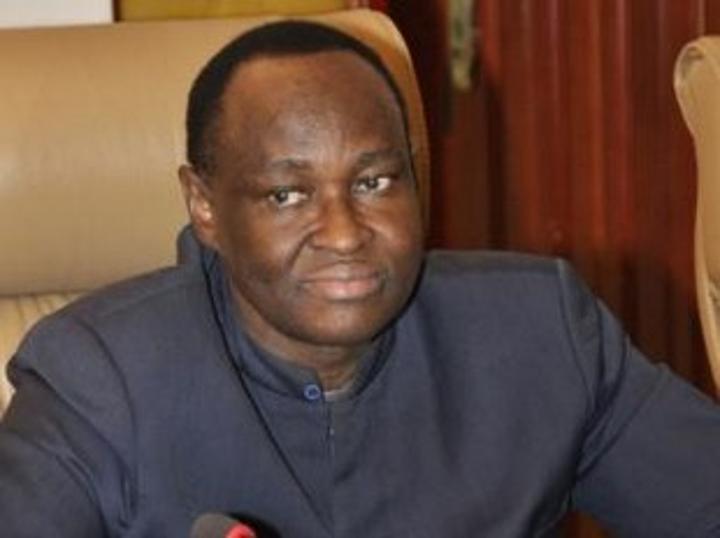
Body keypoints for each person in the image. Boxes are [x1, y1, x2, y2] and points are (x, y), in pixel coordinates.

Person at [1, 19, 720, 538]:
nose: (345, 233)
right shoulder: (99, 379)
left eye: (374, 182)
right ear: (206, 207)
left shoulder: (539, 333)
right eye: (287, 195)